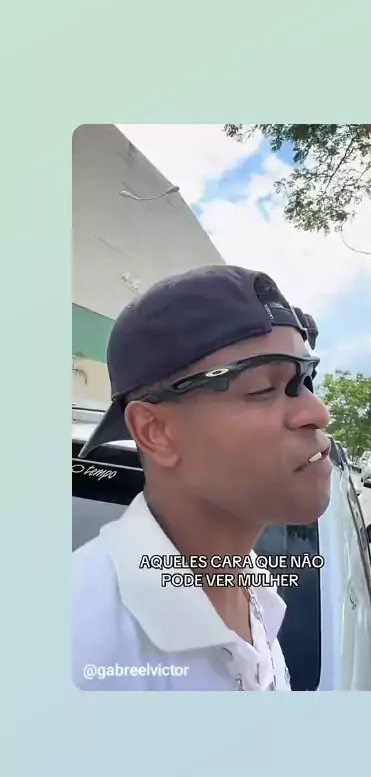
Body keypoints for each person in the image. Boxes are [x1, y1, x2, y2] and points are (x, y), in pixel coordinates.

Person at [73, 265, 332, 691]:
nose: (317, 412)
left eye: (305, 381)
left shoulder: (254, 591)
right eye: (261, 388)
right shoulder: (79, 641)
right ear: (156, 432)